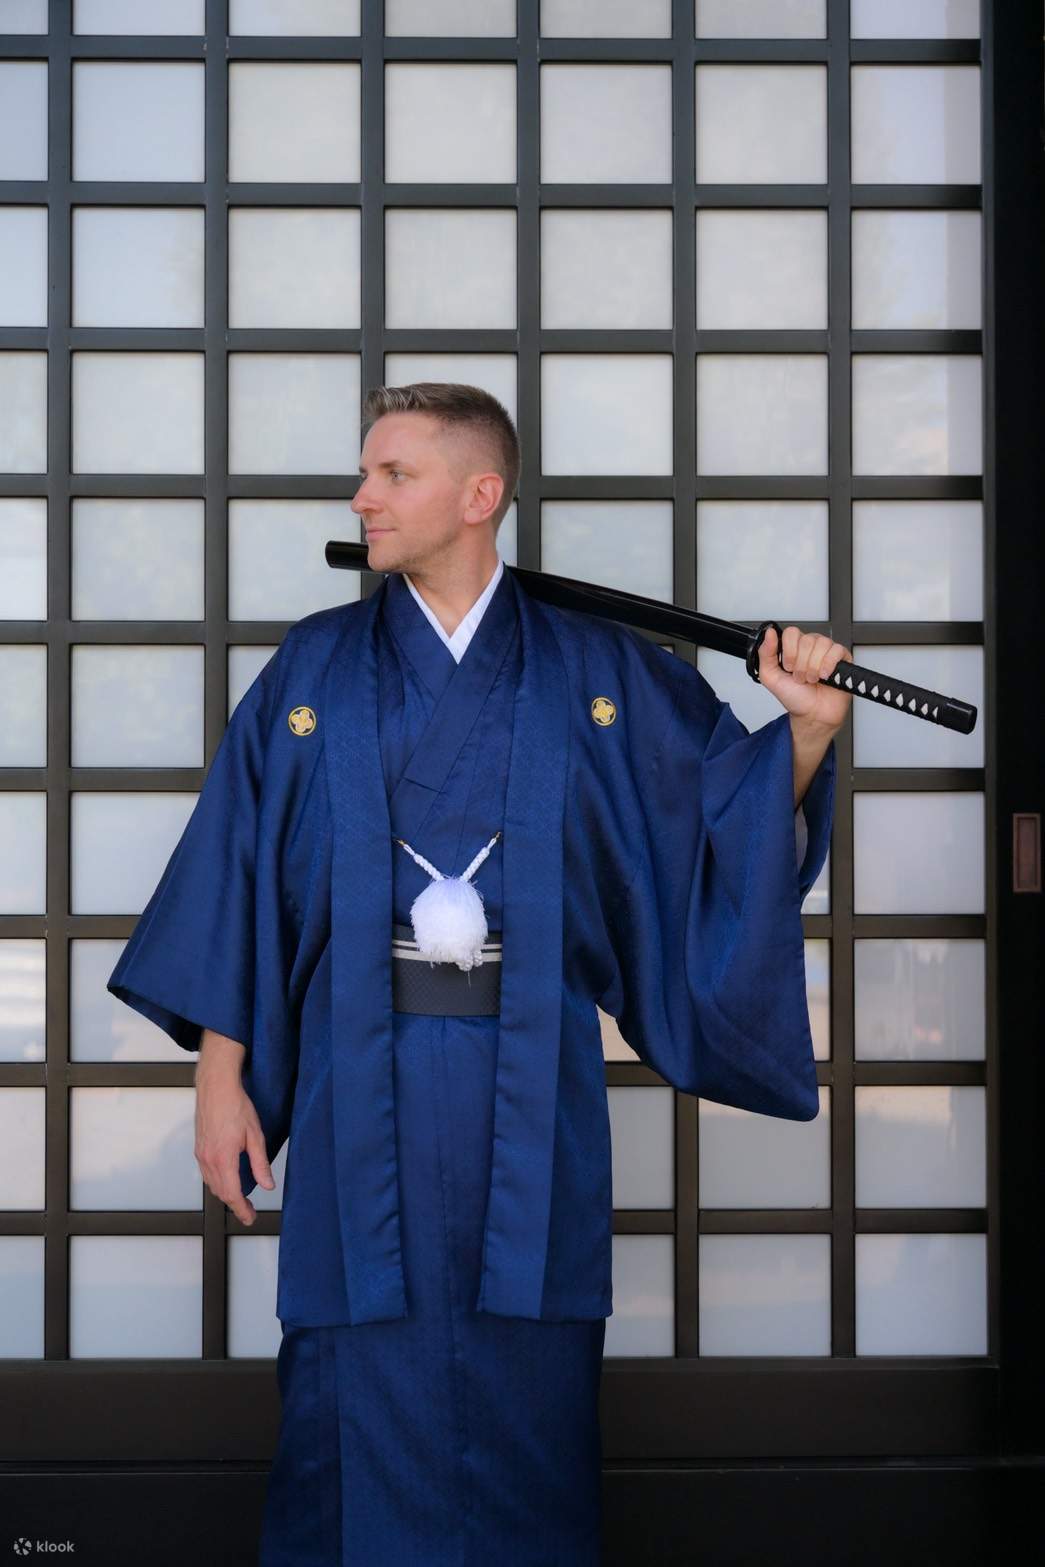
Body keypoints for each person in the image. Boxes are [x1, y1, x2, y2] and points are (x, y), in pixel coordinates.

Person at [107, 381, 852, 1565]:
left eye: (392, 474)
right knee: (352, 1378)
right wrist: (221, 1076)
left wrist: (803, 729)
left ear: (479, 494)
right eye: (367, 474)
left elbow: (716, 818)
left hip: (529, 1086)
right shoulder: (316, 668)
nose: (363, 497)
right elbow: (237, 875)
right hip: (360, 1080)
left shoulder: (597, 670)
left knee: (528, 1376)